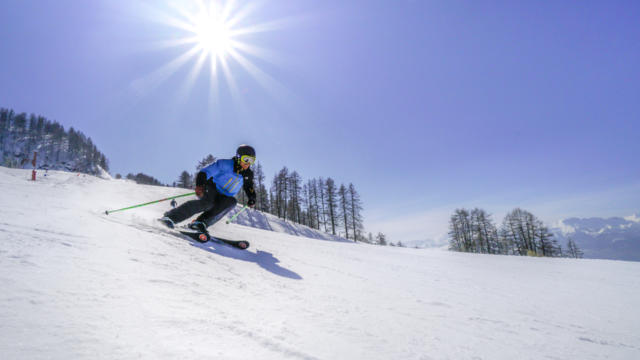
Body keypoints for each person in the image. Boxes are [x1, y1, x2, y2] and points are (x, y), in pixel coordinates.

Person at [159, 144, 257, 233]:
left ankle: (200, 223)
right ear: (239, 157)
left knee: (231, 202)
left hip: (225, 196)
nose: (248, 163)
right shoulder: (225, 164)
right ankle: (170, 217)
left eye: (252, 161)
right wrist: (200, 185)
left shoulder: (248, 174)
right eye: (246, 159)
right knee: (207, 203)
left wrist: (252, 198)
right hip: (212, 187)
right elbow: (205, 172)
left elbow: (249, 187)